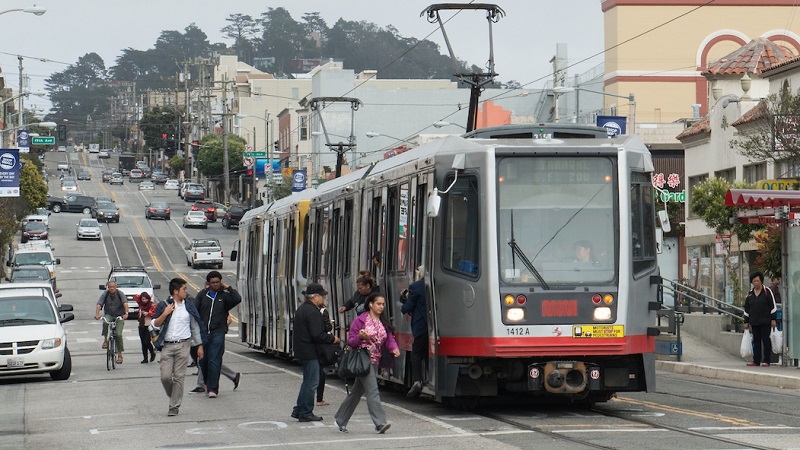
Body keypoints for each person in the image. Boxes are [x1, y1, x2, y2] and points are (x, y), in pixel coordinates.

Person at [333, 293, 400, 434]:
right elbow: (351, 341)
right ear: (370, 304)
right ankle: (380, 423)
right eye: (378, 304)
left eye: (383, 304)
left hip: (375, 360)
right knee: (373, 390)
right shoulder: (360, 321)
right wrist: (360, 337)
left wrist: (394, 348)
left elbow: (388, 338)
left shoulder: (382, 321)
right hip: (364, 359)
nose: (381, 306)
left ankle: (340, 419)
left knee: (356, 392)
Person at [153, 277, 206, 416]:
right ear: (175, 291)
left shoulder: (189, 305)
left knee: (179, 377)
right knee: (165, 377)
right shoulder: (164, 305)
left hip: (184, 344)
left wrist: (199, 345)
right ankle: (174, 395)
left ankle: (174, 406)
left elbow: (195, 327)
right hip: (167, 345)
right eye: (184, 289)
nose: (186, 292)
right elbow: (155, 324)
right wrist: (165, 313)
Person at [292, 283, 340, 422]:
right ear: (315, 296)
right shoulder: (312, 311)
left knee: (307, 381)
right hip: (310, 351)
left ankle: (299, 409)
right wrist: (332, 339)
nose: (323, 299)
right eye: (322, 296)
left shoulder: (303, 309)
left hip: (303, 350)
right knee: (312, 382)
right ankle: (306, 411)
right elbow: (317, 334)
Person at [194, 271, 241, 399]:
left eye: (218, 282)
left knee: (214, 360)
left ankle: (213, 389)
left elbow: (237, 299)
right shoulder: (202, 295)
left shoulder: (224, 296)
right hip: (204, 333)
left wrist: (228, 287)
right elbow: (194, 311)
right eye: (213, 283)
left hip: (218, 332)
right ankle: (208, 384)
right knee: (203, 361)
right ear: (208, 284)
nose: (216, 285)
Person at [191, 313, 241, 392]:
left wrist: (220, 330)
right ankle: (233, 376)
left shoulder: (219, 304)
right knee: (211, 360)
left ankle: (202, 385)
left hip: (214, 335)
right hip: (206, 334)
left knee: (207, 358)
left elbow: (229, 320)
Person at [400, 266, 428, 398]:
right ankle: (428, 377)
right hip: (436, 328)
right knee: (428, 352)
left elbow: (406, 308)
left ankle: (417, 380)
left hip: (421, 326)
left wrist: (405, 298)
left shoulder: (416, 287)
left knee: (416, 354)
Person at [743, 271, 778, 367]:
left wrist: (773, 319)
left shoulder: (767, 291)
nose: (756, 283)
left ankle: (767, 360)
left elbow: (773, 306)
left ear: (761, 281)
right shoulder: (750, 294)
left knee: (766, 340)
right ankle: (756, 360)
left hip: (765, 321)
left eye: (758, 281)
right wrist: (746, 321)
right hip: (754, 321)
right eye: (754, 281)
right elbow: (746, 308)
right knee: (756, 340)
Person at [95, 280, 128, 365]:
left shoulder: (120, 294)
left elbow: (125, 303)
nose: (112, 288)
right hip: (109, 314)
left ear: (116, 287)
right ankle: (105, 340)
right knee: (105, 322)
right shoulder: (105, 294)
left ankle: (120, 354)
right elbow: (99, 304)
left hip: (119, 316)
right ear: (108, 287)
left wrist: (126, 313)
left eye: (113, 287)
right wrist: (97, 314)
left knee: (118, 334)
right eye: (110, 287)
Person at [316, 298, 334, 406]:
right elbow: (328, 327)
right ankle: (319, 399)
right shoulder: (323, 311)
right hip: (322, 345)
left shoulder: (309, 311)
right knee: (322, 372)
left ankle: (317, 398)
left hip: (312, 347)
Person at [135, 291, 157, 364]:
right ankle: (145, 358)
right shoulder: (140, 305)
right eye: (143, 299)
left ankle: (152, 352)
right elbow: (136, 296)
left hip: (149, 325)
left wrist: (148, 313)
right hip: (141, 325)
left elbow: (155, 314)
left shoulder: (152, 305)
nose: (144, 301)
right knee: (143, 343)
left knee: (146, 341)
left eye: (146, 299)